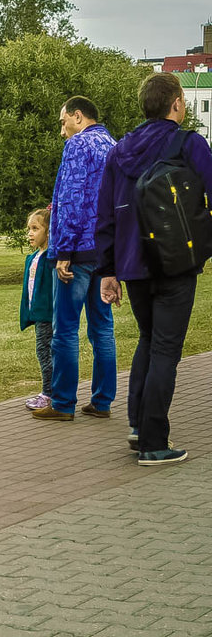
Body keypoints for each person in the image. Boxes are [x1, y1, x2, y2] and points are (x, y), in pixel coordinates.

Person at [96, 73, 211, 465]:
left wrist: (108, 270)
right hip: (176, 260)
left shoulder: (119, 151)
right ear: (176, 103)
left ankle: (136, 424)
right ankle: (153, 441)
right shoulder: (189, 144)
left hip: (131, 261)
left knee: (148, 339)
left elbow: (106, 214)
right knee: (165, 348)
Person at [32, 96, 117, 422]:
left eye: (62, 121)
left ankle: (64, 402)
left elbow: (70, 200)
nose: (62, 130)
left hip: (78, 250)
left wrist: (63, 252)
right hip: (105, 252)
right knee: (102, 328)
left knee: (65, 330)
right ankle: (102, 400)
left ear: (77, 117)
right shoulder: (112, 144)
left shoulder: (78, 146)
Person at [20, 208, 56, 411]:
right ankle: (51, 390)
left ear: (49, 231)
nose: (30, 233)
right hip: (37, 313)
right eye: (29, 229)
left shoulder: (52, 258)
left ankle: (48, 393)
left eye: (35, 228)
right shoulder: (33, 257)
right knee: (44, 350)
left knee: (45, 351)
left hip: (48, 315)